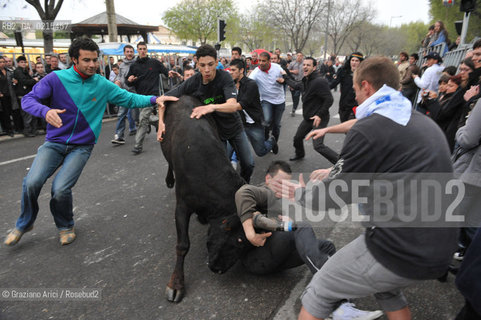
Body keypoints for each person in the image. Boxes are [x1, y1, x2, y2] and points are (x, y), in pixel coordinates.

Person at [272, 56, 458, 320]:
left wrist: (299, 193)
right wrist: (337, 169)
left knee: (320, 288)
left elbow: (336, 195)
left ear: (367, 87)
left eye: (357, 90)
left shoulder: (372, 128)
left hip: (401, 246)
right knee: (386, 288)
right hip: (441, 244)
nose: (355, 97)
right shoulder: (415, 120)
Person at [3, 37, 164, 247]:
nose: (92, 65)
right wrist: (46, 111)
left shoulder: (102, 84)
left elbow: (129, 99)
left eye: (95, 60)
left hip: (81, 146)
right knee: (31, 182)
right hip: (54, 142)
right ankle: (25, 222)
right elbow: (28, 100)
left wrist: (155, 99)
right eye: (86, 60)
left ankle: (65, 225)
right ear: (73, 60)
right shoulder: (55, 78)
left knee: (60, 189)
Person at [236, 160, 383, 320]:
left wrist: (284, 221)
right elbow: (243, 192)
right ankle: (336, 300)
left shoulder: (276, 198)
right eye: (279, 182)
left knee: (326, 246)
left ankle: (336, 301)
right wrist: (251, 233)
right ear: (268, 179)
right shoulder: (265, 192)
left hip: (271, 256)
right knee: (301, 227)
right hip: (256, 259)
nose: (283, 187)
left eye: (286, 183)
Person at [157, 44, 255, 183]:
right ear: (197, 64)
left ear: (216, 62)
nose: (207, 70)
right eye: (202, 65)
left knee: (248, 164)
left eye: (210, 64)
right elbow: (163, 99)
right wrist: (161, 122)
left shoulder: (225, 78)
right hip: (214, 132)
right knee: (221, 168)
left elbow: (233, 105)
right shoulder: (193, 82)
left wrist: (211, 107)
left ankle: (244, 187)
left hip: (234, 127)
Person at [278, 57, 338, 164]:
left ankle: (340, 162)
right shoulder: (306, 80)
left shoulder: (319, 81)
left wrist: (319, 115)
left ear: (314, 67)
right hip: (308, 117)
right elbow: (296, 85)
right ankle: (300, 154)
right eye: (304, 65)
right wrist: (285, 76)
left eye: (308, 65)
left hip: (319, 118)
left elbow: (329, 99)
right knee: (297, 138)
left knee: (318, 146)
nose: (305, 67)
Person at [126, 42, 169, 155]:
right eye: (140, 49)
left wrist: (171, 73)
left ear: (147, 50)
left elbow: (166, 72)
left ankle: (137, 146)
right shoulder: (134, 66)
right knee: (141, 118)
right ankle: (159, 122)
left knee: (143, 119)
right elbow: (128, 82)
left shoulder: (154, 63)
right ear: (137, 50)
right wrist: (129, 80)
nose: (143, 51)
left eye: (144, 49)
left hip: (152, 96)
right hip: (139, 97)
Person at [228, 59, 277, 156]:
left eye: (233, 70)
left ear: (241, 70)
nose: (231, 72)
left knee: (260, 152)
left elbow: (242, 105)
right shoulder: (230, 85)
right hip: (239, 124)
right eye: (230, 70)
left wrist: (216, 107)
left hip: (254, 123)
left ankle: (272, 141)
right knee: (228, 152)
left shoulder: (251, 84)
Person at [249, 52, 285, 144]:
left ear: (269, 61)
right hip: (266, 100)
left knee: (276, 125)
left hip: (280, 100)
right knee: (267, 121)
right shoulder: (256, 72)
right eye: (259, 60)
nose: (261, 63)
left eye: (263, 61)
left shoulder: (277, 67)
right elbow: (247, 84)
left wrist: (283, 81)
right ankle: (265, 140)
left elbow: (286, 78)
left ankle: (274, 142)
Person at [111, 45, 139, 145]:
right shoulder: (122, 65)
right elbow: (119, 76)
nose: (129, 53)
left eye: (131, 51)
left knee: (136, 116)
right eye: (127, 51)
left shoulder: (137, 63)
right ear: (124, 53)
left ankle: (142, 128)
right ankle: (119, 136)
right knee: (121, 114)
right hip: (124, 93)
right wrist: (117, 81)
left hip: (135, 93)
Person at [330, 52, 364, 122]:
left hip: (356, 105)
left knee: (351, 129)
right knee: (345, 128)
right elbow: (333, 84)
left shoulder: (364, 74)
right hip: (344, 105)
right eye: (352, 60)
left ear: (361, 62)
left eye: (357, 61)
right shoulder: (343, 71)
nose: (354, 63)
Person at [14, 56, 39, 137]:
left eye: (24, 62)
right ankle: (28, 131)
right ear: (18, 63)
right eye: (21, 62)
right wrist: (34, 80)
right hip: (23, 95)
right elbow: (24, 81)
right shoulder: (18, 71)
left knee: (32, 113)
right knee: (27, 114)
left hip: (28, 94)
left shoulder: (24, 71)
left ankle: (33, 130)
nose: (24, 64)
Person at [288, 52, 304, 116]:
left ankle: (294, 109)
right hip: (293, 82)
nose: (299, 57)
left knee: (299, 96)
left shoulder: (304, 64)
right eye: (298, 55)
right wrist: (293, 71)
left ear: (302, 56)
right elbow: (287, 71)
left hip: (302, 82)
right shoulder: (292, 63)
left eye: (300, 56)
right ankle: (294, 107)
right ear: (296, 56)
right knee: (294, 97)